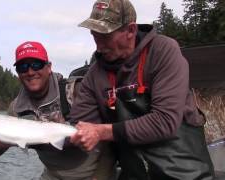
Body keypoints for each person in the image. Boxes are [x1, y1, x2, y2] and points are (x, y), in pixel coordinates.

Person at [69, 0, 215, 179]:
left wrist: (100, 132)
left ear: (130, 30)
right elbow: (80, 125)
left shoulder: (163, 51)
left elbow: (165, 121)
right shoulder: (94, 75)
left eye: (105, 36)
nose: (98, 46)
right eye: (94, 36)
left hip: (186, 174)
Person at [0, 41, 116, 180]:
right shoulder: (16, 109)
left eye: (36, 64)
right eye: (23, 67)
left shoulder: (77, 91)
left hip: (94, 173)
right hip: (53, 175)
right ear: (18, 73)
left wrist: (100, 176)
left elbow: (111, 135)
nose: (30, 72)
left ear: (49, 67)